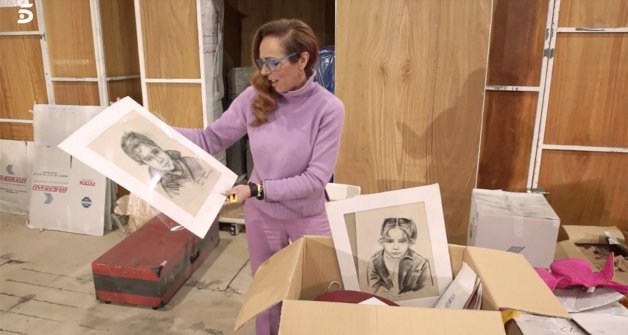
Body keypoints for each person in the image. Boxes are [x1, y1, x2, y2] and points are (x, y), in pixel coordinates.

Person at [175, 19, 345, 335]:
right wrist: (150, 126)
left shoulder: (329, 109)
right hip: (262, 218)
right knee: (267, 295)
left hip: (308, 218)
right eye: (261, 62)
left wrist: (254, 189)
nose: (265, 72)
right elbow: (210, 139)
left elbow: (314, 180)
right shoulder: (255, 97)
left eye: (274, 63)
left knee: (316, 294)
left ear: (302, 59)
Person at [120, 131, 209, 197]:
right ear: (144, 163)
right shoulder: (163, 186)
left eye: (156, 152)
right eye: (149, 159)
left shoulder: (191, 161)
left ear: (158, 147)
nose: (160, 160)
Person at [367, 217, 433, 298]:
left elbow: (426, 292)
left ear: (410, 242)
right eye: (389, 241)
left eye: (402, 241)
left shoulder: (421, 263)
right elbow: (371, 292)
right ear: (383, 241)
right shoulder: (374, 262)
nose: (395, 247)